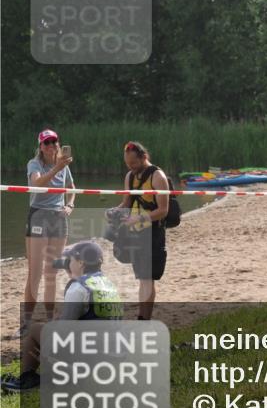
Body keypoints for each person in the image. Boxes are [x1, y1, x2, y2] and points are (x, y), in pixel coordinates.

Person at [2, 242, 122, 392]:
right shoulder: (107, 284)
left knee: (35, 330)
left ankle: (28, 379)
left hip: (89, 360)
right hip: (111, 358)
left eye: (70, 260)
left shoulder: (78, 287)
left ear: (80, 262)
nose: (67, 263)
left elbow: (64, 332)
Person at [20, 129, 75, 338]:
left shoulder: (63, 165)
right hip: (39, 217)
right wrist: (57, 168)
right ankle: (26, 321)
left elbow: (72, 188)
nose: (51, 145)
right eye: (47, 143)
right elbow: (37, 184)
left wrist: (70, 205)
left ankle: (50, 319)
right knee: (34, 273)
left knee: (52, 272)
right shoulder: (34, 164)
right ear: (41, 147)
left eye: (54, 142)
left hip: (59, 218)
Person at [114, 141, 170, 320]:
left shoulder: (158, 176)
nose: (131, 167)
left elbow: (163, 210)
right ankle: (142, 317)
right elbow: (126, 203)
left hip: (153, 233)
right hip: (135, 232)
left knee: (147, 278)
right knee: (142, 278)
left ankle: (144, 318)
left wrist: (138, 218)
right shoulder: (130, 177)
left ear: (144, 157)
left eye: (134, 164)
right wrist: (116, 211)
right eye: (128, 164)